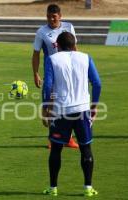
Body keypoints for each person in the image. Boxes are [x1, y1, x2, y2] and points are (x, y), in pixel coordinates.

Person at [41, 32, 101, 196]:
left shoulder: (52, 60)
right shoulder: (86, 57)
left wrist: (45, 108)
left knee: (56, 149)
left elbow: (48, 87)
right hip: (82, 110)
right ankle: (88, 188)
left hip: (61, 112)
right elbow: (97, 83)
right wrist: (93, 107)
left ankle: (53, 188)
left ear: (57, 46)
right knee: (86, 148)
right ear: (74, 44)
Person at [32, 4, 79, 148]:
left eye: (54, 16)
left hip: (67, 72)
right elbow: (36, 54)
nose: (51, 19)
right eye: (48, 16)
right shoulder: (42, 32)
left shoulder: (69, 27)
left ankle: (69, 138)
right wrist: (36, 73)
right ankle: (52, 138)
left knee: (68, 103)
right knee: (51, 103)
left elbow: (74, 49)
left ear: (60, 16)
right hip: (51, 72)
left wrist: (77, 69)